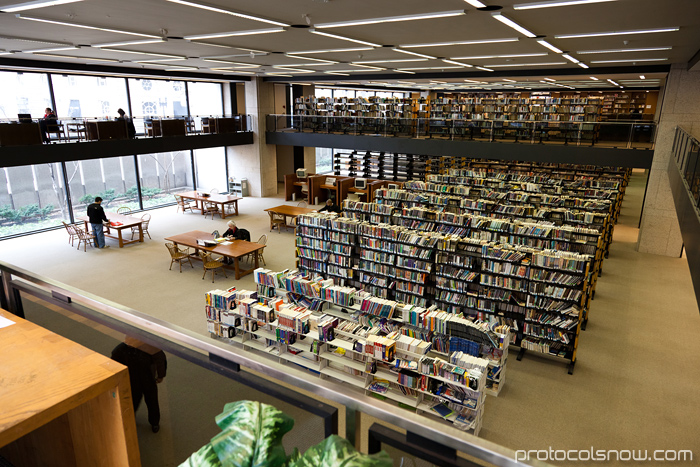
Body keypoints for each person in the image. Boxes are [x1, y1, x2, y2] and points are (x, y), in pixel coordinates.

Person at [111, 337, 167, 433]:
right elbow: (114, 362)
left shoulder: (150, 348)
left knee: (151, 402)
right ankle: (133, 420)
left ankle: (154, 422)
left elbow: (160, 361)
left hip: (147, 379)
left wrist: (161, 375)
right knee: (134, 402)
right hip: (133, 380)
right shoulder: (122, 349)